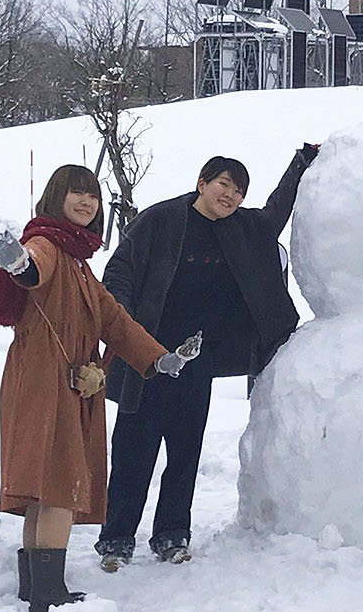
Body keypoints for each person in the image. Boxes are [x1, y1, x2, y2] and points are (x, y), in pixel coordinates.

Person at [0, 164, 196, 612]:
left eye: (93, 196)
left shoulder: (80, 264)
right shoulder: (48, 243)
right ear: (56, 197)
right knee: (57, 486)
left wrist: (160, 359)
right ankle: (48, 595)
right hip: (44, 380)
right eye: (77, 193)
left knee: (45, 487)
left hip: (67, 381)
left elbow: (116, 322)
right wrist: (14, 260)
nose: (87, 203)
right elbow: (31, 267)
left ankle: (35, 586)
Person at [94, 146, 318, 571]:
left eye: (238, 191)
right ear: (202, 184)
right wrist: (123, 323)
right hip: (148, 355)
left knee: (185, 452)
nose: (231, 195)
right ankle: (116, 539)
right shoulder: (161, 220)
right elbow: (120, 270)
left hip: (198, 360)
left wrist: (300, 165)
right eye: (224, 185)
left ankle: (172, 534)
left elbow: (274, 214)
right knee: (132, 451)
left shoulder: (241, 228)